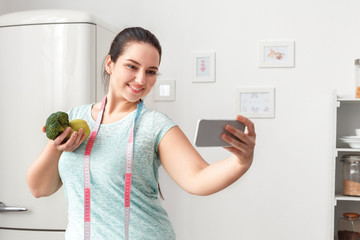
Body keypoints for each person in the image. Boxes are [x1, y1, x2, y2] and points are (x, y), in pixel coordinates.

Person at [26, 27, 256, 240]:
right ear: (110, 63)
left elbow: (197, 179)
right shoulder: (75, 118)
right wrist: (54, 146)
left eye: (151, 71)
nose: (141, 80)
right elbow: (39, 189)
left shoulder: (154, 125)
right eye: (132, 66)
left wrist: (240, 162)